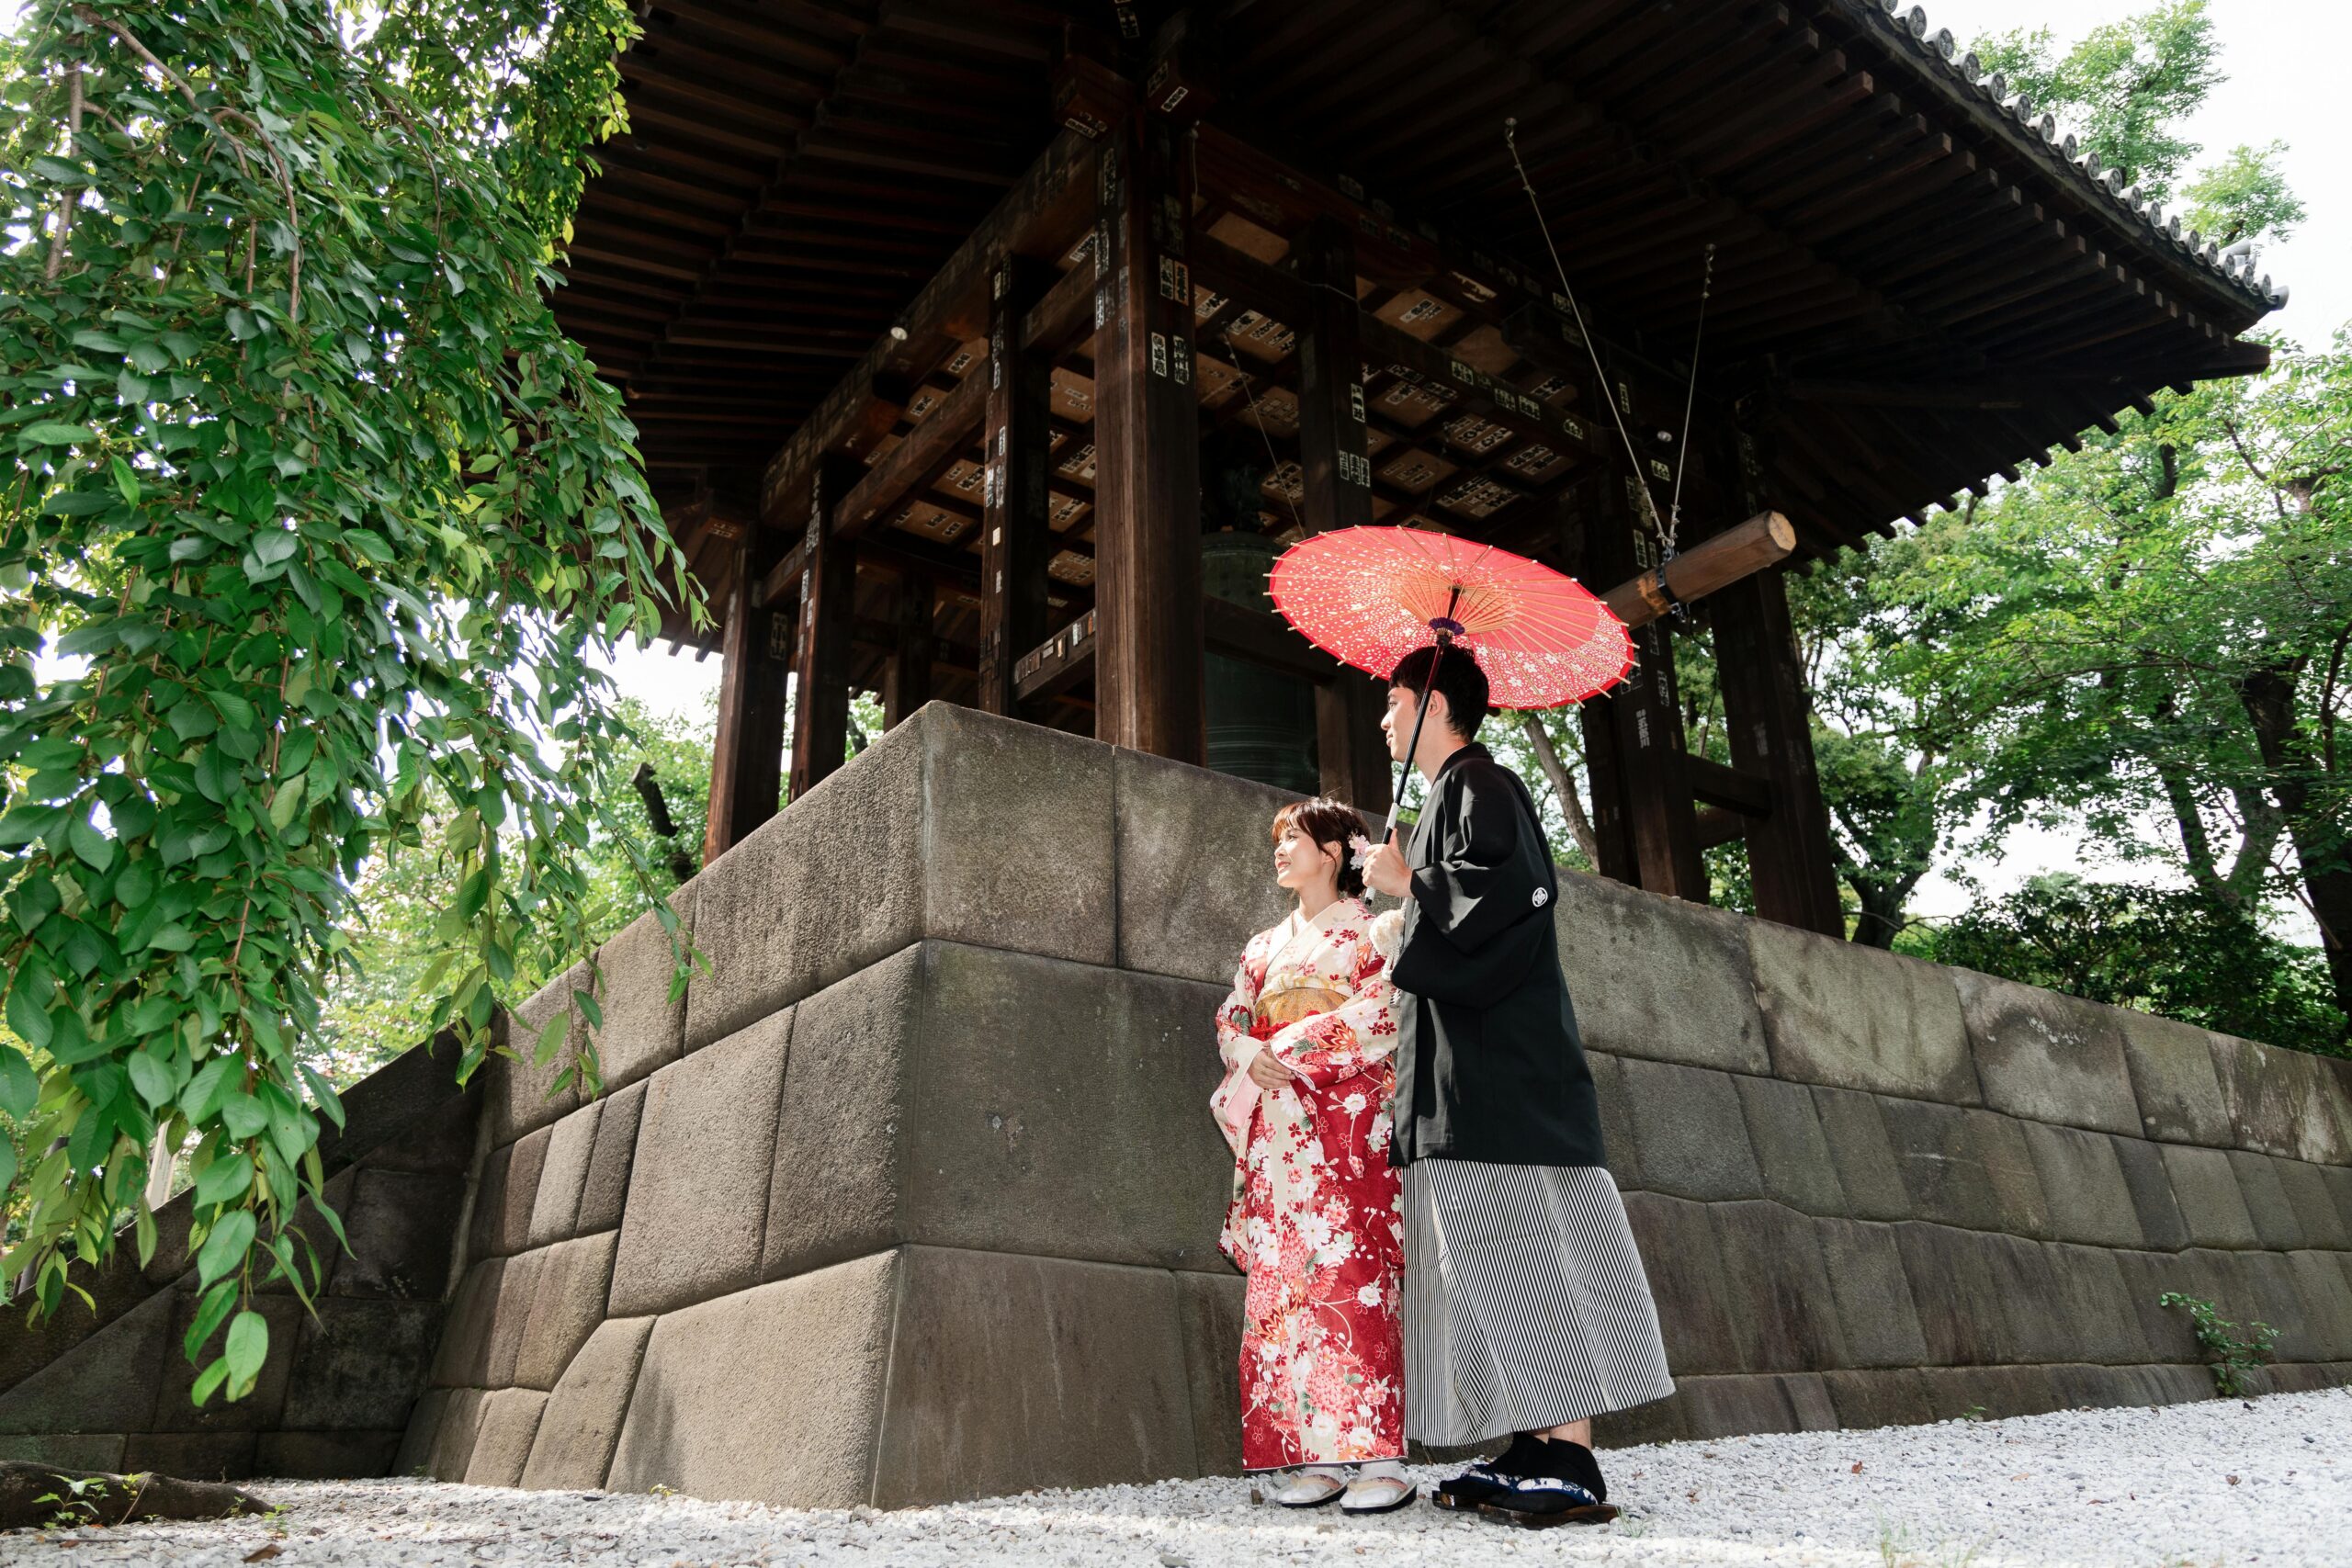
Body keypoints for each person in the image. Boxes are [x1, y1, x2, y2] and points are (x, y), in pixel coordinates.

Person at [1360, 643, 1674, 1528]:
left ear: (1433, 703)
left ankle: (1570, 1455)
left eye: (1394, 702)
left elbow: (1520, 892)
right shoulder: (1449, 797)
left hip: (1506, 1085)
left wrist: (1408, 881)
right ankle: (1532, 1443)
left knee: (1534, 1252)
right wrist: (1411, 893)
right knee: (1493, 1262)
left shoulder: (1480, 784)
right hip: (1471, 1081)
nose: (1383, 720)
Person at [1210, 798, 1415, 1515]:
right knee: (1283, 1286)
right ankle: (1316, 1453)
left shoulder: (1370, 929)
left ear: (1333, 851)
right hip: (1276, 1132)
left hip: (1340, 1129)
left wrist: (1290, 1048)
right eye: (1278, 839)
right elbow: (1231, 1017)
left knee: (1349, 1276)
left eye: (1293, 837)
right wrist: (1250, 1051)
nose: (1280, 849)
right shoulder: (1261, 947)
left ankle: (1380, 1454)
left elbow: (1384, 1009)